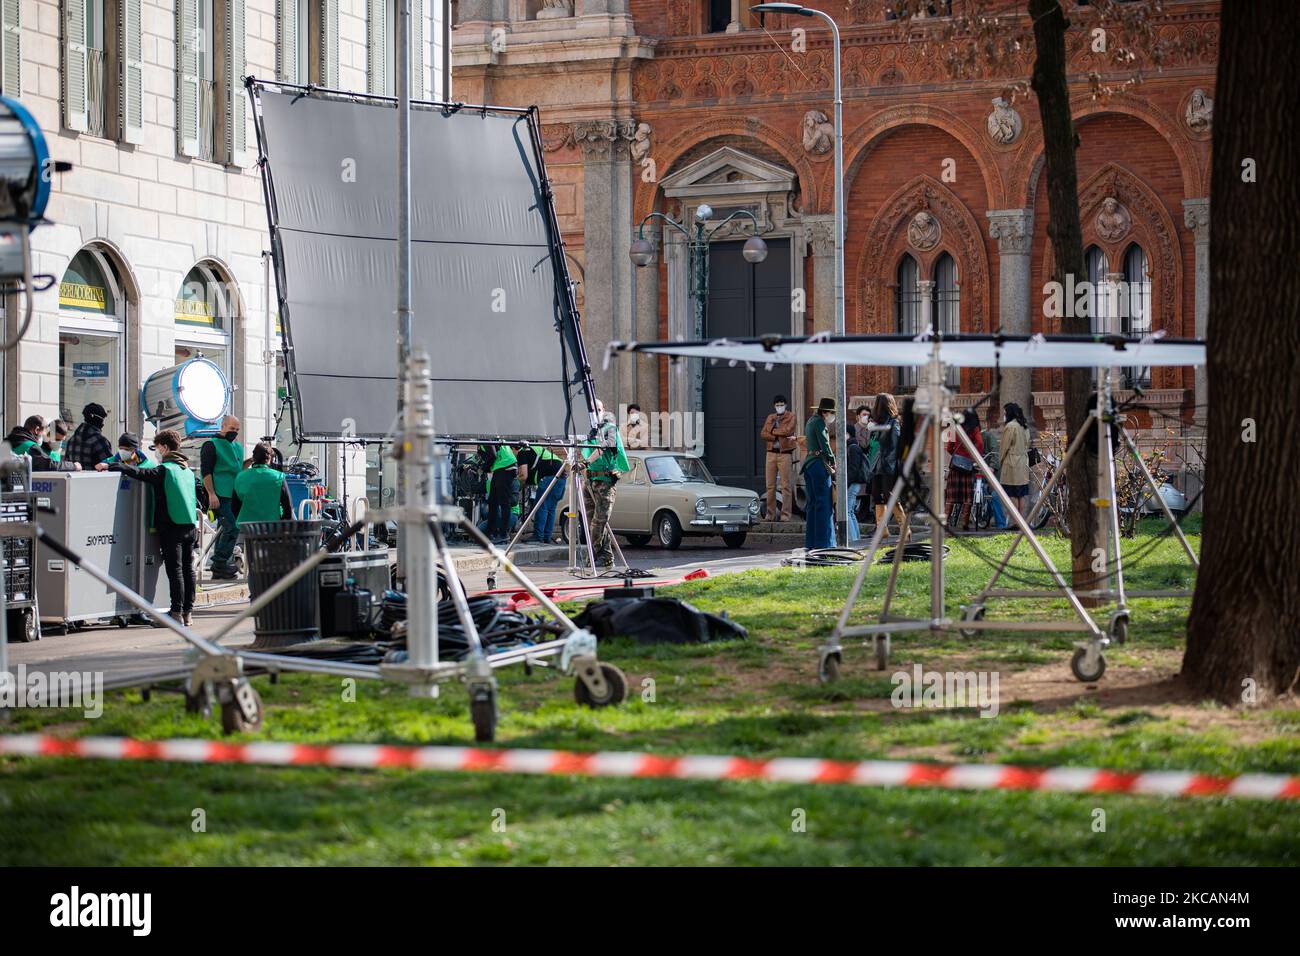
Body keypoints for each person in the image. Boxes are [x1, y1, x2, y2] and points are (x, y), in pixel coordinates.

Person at [108, 429, 207, 627]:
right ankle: (188, 612)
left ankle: (175, 612)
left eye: (158, 448)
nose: (157, 452)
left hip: (171, 526)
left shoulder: (166, 469)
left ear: (164, 447)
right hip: (189, 526)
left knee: (175, 570)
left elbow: (143, 473)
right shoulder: (186, 471)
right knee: (189, 569)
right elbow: (200, 494)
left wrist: (119, 467)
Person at [581, 400, 629, 568]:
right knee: (592, 521)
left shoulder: (610, 429)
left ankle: (590, 558)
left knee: (598, 523)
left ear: (603, 411)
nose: (595, 413)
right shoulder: (587, 430)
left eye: (598, 409)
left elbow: (604, 446)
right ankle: (606, 557)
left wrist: (586, 462)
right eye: (591, 410)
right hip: (589, 480)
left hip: (605, 481)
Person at [201, 415, 244, 579]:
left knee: (225, 527)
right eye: (232, 429)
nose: (234, 432)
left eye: (237, 430)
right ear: (223, 426)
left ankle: (220, 567)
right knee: (231, 526)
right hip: (220, 494)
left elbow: (237, 467)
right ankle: (219, 562)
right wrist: (211, 493)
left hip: (234, 494)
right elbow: (207, 471)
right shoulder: (211, 445)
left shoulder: (237, 447)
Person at [867, 393, 908, 541]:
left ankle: (905, 529)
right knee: (877, 495)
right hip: (878, 465)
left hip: (889, 465)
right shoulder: (880, 423)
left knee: (890, 496)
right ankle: (882, 529)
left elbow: (894, 445)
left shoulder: (894, 422)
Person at [800, 397, 837, 550]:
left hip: (809, 465)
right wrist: (832, 459)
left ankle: (811, 543)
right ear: (826, 412)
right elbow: (825, 443)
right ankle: (825, 543)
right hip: (819, 464)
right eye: (832, 413)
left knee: (813, 504)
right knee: (824, 504)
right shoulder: (820, 422)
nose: (832, 416)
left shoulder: (810, 421)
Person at [232, 442, 292, 526]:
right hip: (272, 528)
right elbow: (288, 506)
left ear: (254, 458)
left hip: (247, 528)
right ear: (269, 458)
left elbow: (234, 506)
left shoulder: (240, 477)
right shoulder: (279, 477)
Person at [944, 409, 984, 533]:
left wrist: (957, 456)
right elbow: (980, 444)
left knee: (951, 496)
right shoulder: (974, 429)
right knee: (967, 496)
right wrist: (974, 457)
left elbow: (949, 447)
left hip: (955, 466)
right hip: (968, 467)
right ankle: (965, 523)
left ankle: (945, 522)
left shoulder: (954, 427)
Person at [759, 394, 797, 521]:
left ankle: (785, 515)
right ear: (774, 406)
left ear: (785, 405)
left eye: (781, 404)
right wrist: (775, 434)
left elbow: (788, 431)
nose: (779, 407)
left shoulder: (791, 416)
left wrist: (773, 432)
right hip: (770, 453)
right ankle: (770, 514)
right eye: (777, 405)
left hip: (785, 454)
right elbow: (763, 433)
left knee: (786, 486)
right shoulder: (770, 417)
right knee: (770, 486)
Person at [5, 416, 81, 471]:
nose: (45, 435)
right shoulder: (31, 446)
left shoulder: (8, 441)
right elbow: (49, 464)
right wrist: (73, 466)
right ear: (37, 430)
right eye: (45, 431)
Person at [479, 442, 520, 543]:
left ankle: (503, 534)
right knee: (493, 502)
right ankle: (489, 533)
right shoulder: (491, 434)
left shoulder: (484, 437)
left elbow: (492, 456)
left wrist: (484, 468)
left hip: (505, 467)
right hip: (503, 467)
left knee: (503, 502)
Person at [1000, 402, 1032, 518]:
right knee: (1021, 494)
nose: (1004, 415)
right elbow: (1027, 443)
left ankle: (1015, 520)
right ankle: (1021, 519)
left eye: (1004, 413)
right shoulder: (1024, 426)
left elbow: (1004, 447)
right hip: (1023, 462)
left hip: (1011, 462)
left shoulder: (1010, 426)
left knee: (1011, 492)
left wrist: (1001, 461)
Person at [529, 443, 566, 544]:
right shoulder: (542, 451)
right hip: (561, 478)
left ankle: (538, 536)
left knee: (542, 507)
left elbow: (523, 474)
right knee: (551, 509)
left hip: (549, 478)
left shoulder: (524, 451)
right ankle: (546, 537)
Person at [64, 403, 113, 470]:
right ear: (98, 420)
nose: (103, 423)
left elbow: (67, 465)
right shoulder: (100, 441)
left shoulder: (71, 441)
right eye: (102, 420)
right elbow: (110, 467)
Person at [846, 427, 867, 543]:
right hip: (855, 483)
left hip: (852, 483)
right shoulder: (854, 446)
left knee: (847, 511)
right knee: (851, 512)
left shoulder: (852, 448)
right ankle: (856, 538)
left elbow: (853, 469)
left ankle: (852, 539)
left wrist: (846, 483)